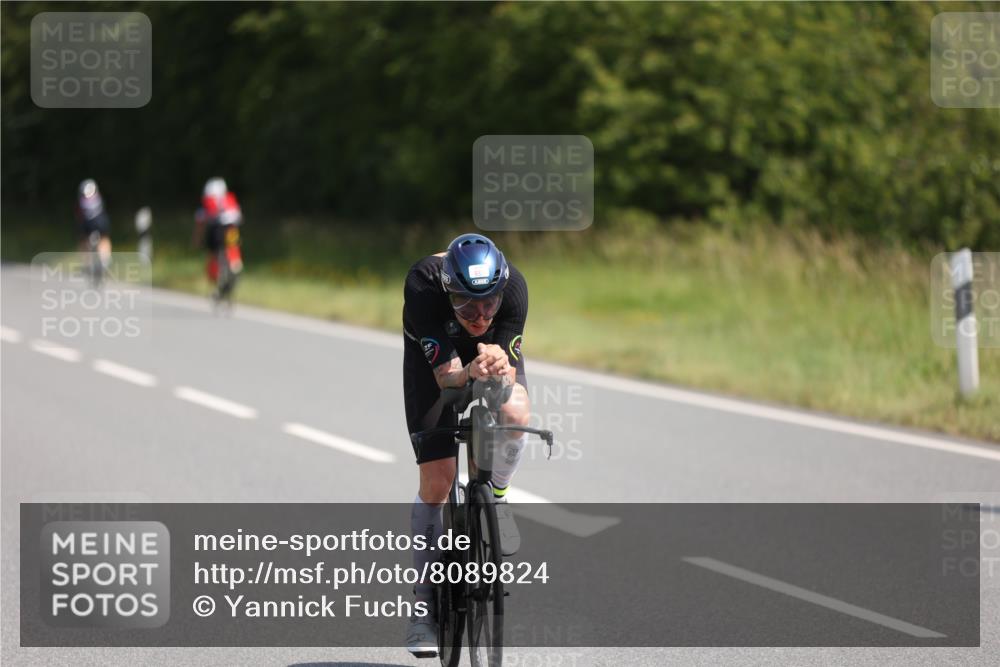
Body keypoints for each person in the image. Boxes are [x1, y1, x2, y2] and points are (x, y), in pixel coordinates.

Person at [402, 233, 531, 657]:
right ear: (447, 290)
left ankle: (497, 494)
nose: (478, 316)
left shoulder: (514, 290)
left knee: (514, 414)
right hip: (435, 361)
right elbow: (447, 379)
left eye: (487, 305)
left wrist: (497, 368)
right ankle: (422, 606)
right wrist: (468, 372)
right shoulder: (423, 285)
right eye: (466, 305)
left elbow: (507, 376)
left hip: (487, 356)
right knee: (438, 479)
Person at [193, 177, 243, 294]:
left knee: (213, 252)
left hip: (217, 230)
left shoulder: (209, 201)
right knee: (233, 249)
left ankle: (217, 277)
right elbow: (239, 217)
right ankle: (236, 266)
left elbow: (200, 221)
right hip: (232, 228)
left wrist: (197, 240)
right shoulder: (230, 199)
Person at [75, 179, 112, 270]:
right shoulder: (98, 197)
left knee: (83, 240)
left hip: (86, 224)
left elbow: (79, 215)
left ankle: (86, 263)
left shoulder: (81, 200)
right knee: (104, 238)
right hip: (100, 222)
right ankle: (105, 259)